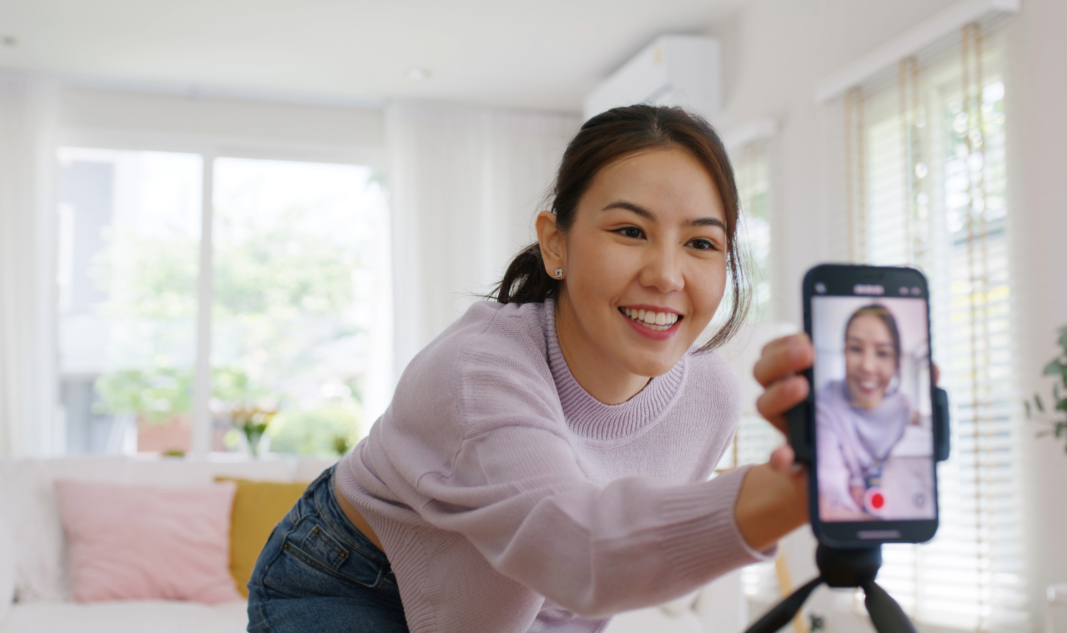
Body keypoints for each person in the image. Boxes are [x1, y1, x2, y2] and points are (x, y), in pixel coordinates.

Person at [246, 105, 817, 633]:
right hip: (351, 577)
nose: (668, 275)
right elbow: (579, 553)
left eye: (700, 242)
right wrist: (788, 492)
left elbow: (570, 594)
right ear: (555, 244)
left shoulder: (709, 395)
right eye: (630, 231)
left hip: (520, 579)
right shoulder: (477, 374)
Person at [815, 304, 915, 521]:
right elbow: (829, 497)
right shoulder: (826, 402)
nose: (868, 366)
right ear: (844, 352)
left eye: (882, 353)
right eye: (856, 349)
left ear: (897, 362)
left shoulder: (903, 408)